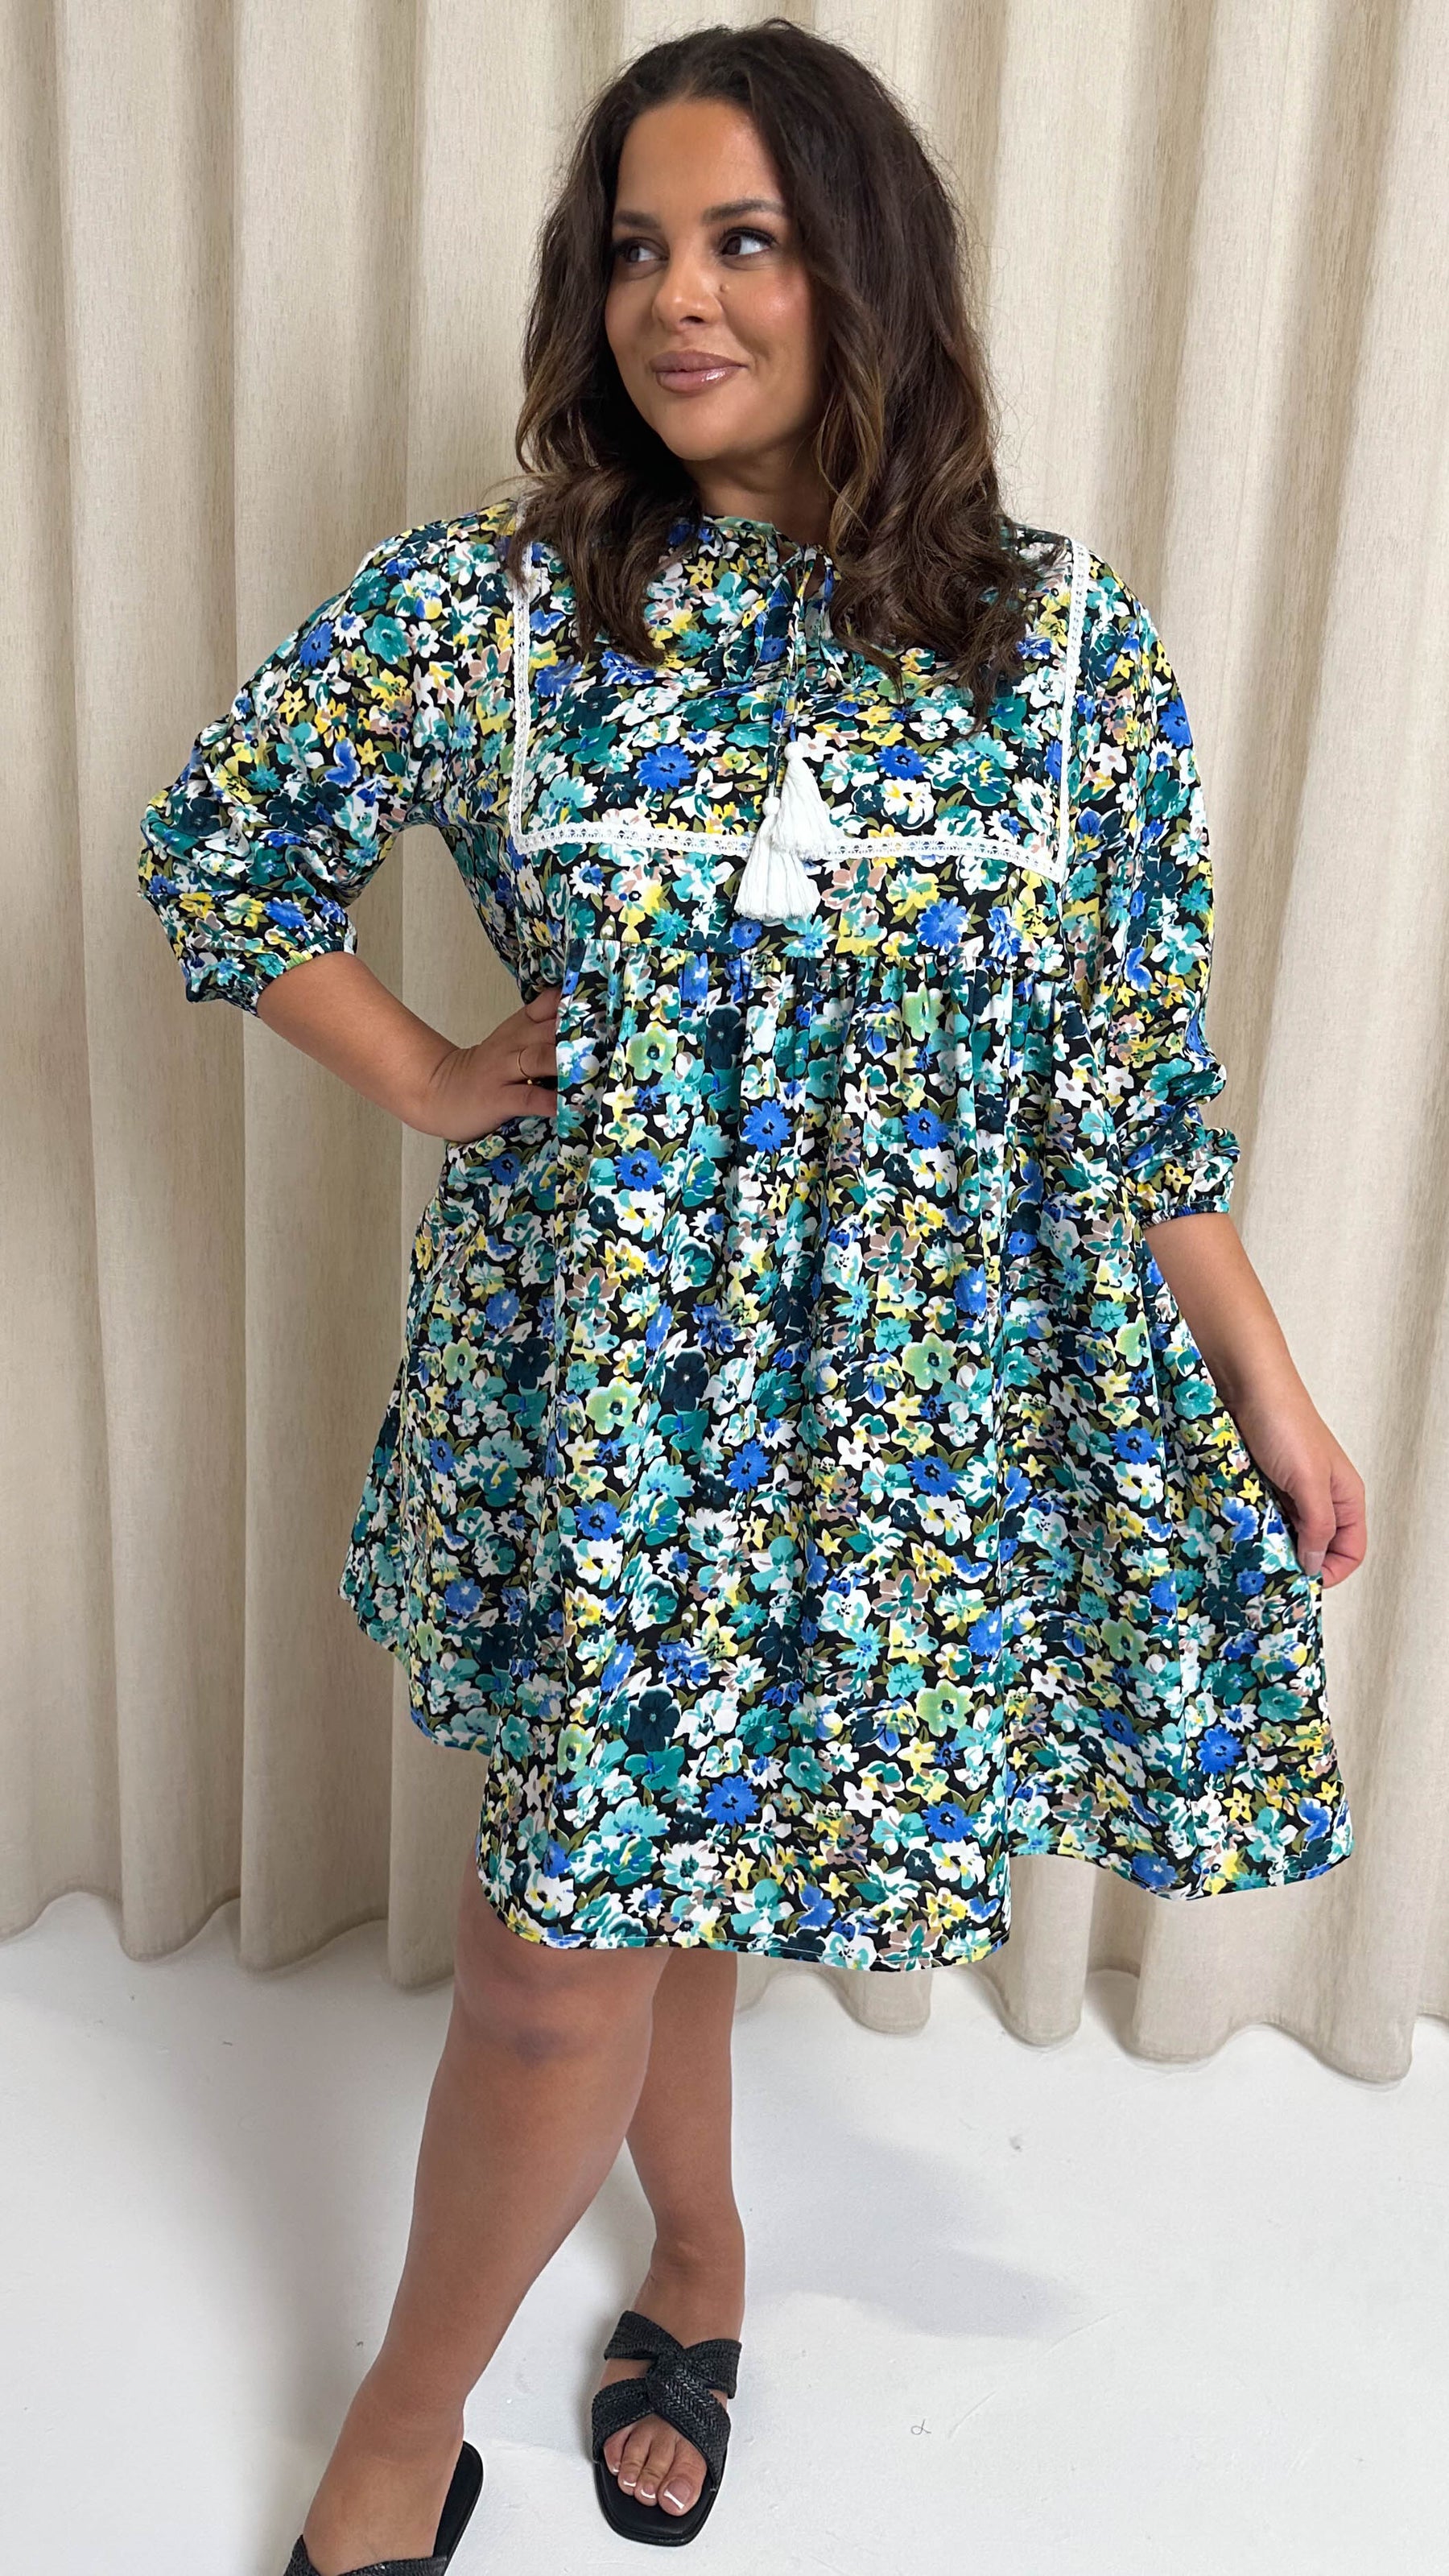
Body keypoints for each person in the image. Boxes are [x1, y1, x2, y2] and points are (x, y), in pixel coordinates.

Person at [136, 18, 1367, 2571]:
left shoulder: (1058, 651)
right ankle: (402, 2431)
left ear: (865, 270)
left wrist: (1269, 1382)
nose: (674, 300)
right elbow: (220, 854)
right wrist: (431, 1071)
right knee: (551, 1967)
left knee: (668, 1911)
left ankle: (695, 2261)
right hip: (611, 1421)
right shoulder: (499, 609)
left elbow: (1133, 1080)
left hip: (891, 1437)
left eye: (743, 241)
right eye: (632, 250)